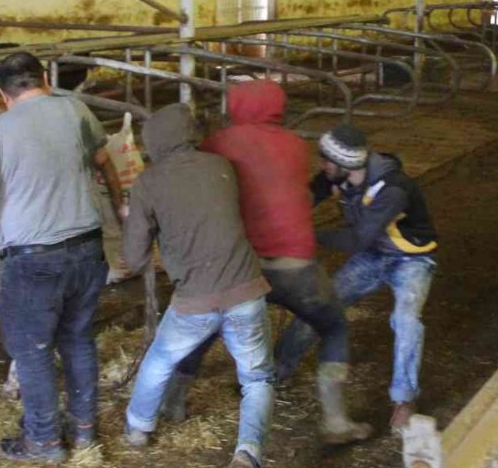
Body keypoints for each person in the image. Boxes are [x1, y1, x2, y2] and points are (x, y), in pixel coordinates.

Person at [157, 80, 372, 444]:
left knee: (204, 327)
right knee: (333, 327)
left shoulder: (218, 144)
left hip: (242, 265)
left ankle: (172, 404)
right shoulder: (296, 146)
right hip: (296, 265)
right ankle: (335, 419)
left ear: (236, 106)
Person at [0, 51, 111, 462]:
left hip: (34, 259)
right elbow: (104, 163)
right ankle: (85, 432)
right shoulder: (74, 109)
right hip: (88, 248)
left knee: (32, 351)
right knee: (78, 340)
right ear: (45, 80)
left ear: (3, 94)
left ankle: (44, 442)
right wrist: (118, 207)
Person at [121, 103, 275, 468]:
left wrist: (139, 221)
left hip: (195, 298)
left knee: (159, 361)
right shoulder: (221, 167)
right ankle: (248, 452)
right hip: (245, 289)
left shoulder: (149, 183)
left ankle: (138, 429)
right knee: (256, 378)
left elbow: (135, 257)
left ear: (153, 142)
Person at [275, 124, 437, 435]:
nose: (322, 166)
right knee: (320, 303)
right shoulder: (336, 175)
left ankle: (404, 399)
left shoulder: (392, 189)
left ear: (347, 165)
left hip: (411, 259)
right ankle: (277, 369)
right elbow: (305, 200)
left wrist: (304, 236)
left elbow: (356, 239)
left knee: (406, 319)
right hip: (375, 253)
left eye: (326, 161)